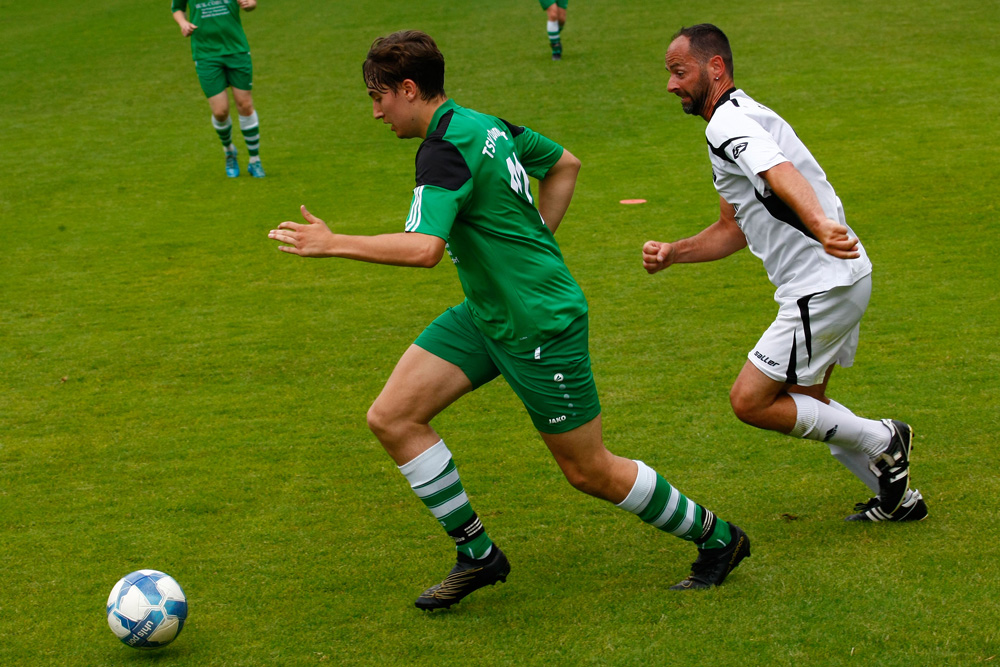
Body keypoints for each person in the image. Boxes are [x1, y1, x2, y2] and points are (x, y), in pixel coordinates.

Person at [268, 30, 750, 609]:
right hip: (489, 313)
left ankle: (719, 538)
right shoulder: (484, 124)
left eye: (379, 97)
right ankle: (477, 554)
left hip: (541, 325)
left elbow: (424, 249)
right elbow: (565, 164)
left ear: (409, 88)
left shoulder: (442, 150)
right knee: (393, 417)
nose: (376, 112)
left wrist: (333, 243)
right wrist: (534, 241)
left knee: (589, 470)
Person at [643, 24, 926, 523]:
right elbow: (733, 228)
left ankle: (887, 437)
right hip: (841, 277)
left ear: (715, 68)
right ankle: (901, 500)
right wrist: (675, 252)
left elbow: (779, 171)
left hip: (822, 284)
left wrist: (819, 224)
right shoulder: (743, 117)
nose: (671, 85)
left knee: (750, 401)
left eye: (678, 72)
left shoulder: (726, 123)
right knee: (809, 403)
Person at [171, 0, 265, 178]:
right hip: (206, 54)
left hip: (236, 49)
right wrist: (183, 23)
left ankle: (255, 160)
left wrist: (250, 4)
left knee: (245, 105)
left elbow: (251, 3)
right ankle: (229, 150)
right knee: (220, 111)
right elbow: (177, 8)